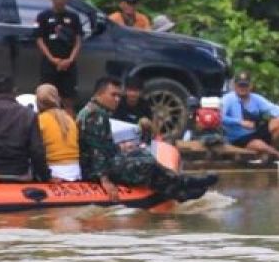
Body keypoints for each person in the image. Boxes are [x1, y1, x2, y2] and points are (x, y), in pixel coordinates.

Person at [77, 76, 215, 203]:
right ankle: (182, 185)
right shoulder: (95, 116)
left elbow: (102, 145)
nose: (117, 99)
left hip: (105, 160)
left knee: (140, 154)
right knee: (145, 164)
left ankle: (178, 187)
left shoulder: (95, 111)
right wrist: (105, 180)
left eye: (119, 95)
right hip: (94, 170)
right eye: (113, 95)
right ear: (99, 94)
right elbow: (96, 151)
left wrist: (122, 148)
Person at [220, 70, 279, 163]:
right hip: (238, 140)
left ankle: (270, 153)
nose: (243, 88)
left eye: (245, 85)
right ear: (235, 86)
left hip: (255, 134)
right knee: (257, 144)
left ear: (251, 85)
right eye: (240, 85)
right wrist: (239, 122)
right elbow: (219, 117)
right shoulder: (228, 99)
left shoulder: (256, 98)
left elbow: (274, 109)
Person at [36, 0, 83, 111]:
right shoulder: (43, 17)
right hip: (50, 63)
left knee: (68, 101)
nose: (59, 0)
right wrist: (52, 59)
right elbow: (40, 40)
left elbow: (78, 40)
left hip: (68, 64)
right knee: (47, 99)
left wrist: (70, 59)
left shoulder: (73, 17)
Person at [35, 83, 80, 181]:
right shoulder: (70, 119)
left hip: (54, 172)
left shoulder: (39, 120)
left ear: (38, 101)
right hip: (76, 171)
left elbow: (36, 151)